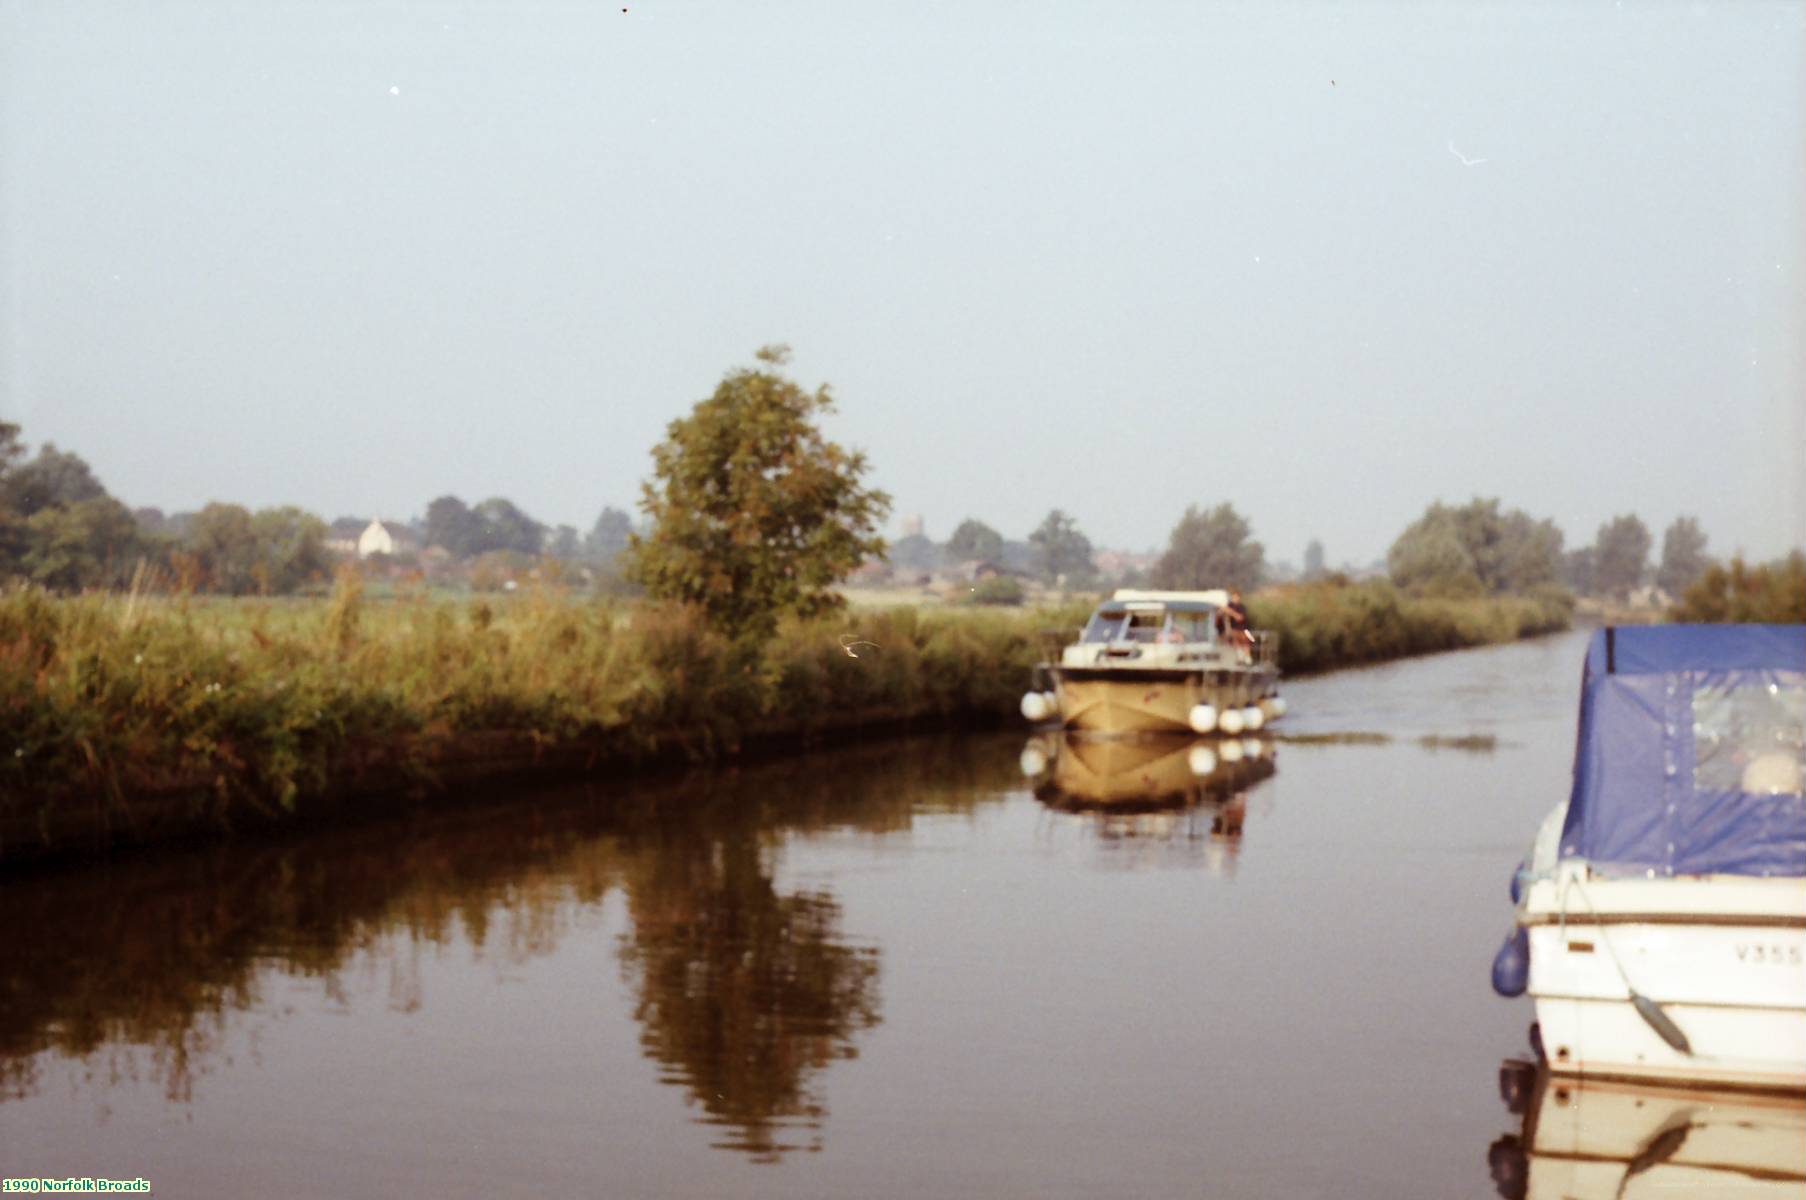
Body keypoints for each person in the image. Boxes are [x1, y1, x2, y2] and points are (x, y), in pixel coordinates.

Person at [1219, 591, 1254, 661]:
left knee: (1246, 642)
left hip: (1244, 629)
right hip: (1234, 629)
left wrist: (1232, 613)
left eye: (1236, 597)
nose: (1235, 599)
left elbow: (1240, 618)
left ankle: (1247, 658)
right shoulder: (1230, 605)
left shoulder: (1242, 607)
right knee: (1234, 639)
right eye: (1233, 597)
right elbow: (1223, 609)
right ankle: (1240, 655)